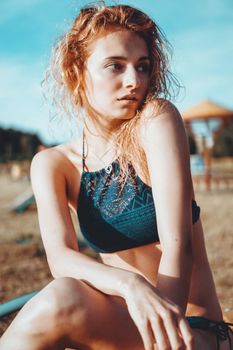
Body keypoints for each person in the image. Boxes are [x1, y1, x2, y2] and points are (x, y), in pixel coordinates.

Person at [0, 3, 232, 350]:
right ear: (76, 71)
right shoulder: (52, 164)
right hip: (124, 320)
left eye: (142, 66)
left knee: (63, 300)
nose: (134, 81)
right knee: (64, 293)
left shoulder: (156, 120)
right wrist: (129, 284)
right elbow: (61, 258)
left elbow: (177, 246)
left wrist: (164, 336)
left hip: (189, 327)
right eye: (115, 66)